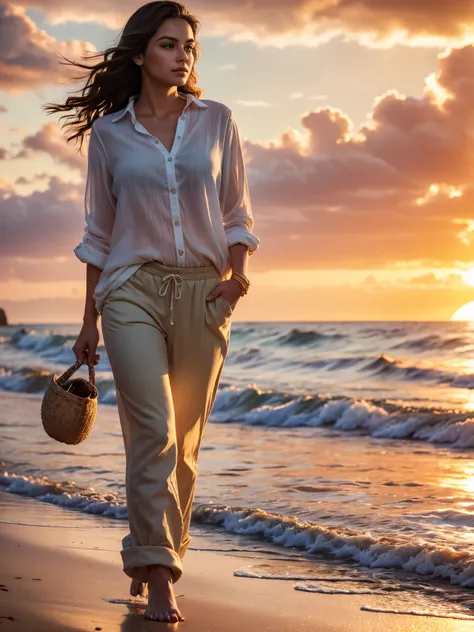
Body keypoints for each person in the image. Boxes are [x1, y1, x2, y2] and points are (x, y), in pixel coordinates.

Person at [44, 1, 259, 623]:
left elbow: (238, 210)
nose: (183, 56)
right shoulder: (110, 135)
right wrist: (88, 321)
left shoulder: (217, 121)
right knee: (154, 432)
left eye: (189, 47)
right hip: (130, 288)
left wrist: (237, 277)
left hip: (203, 290)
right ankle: (161, 575)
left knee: (184, 444)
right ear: (140, 54)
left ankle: (154, 554)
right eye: (169, 45)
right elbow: (99, 234)